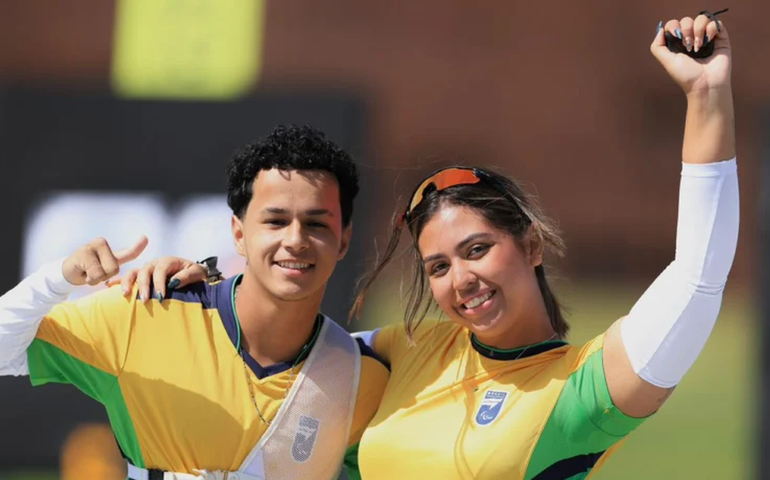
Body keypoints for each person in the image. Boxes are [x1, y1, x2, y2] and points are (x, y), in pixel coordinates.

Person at [112, 13, 739, 479]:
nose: (459, 279)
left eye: (476, 249)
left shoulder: (582, 393)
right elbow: (267, 345)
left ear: (531, 245)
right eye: (438, 266)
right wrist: (209, 278)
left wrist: (706, 95)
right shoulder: (407, 350)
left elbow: (697, 280)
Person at [0, 125, 389, 480]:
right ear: (238, 233)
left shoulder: (361, 378)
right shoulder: (145, 313)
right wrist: (58, 278)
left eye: (317, 223)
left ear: (344, 240)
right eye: (275, 221)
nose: (296, 240)